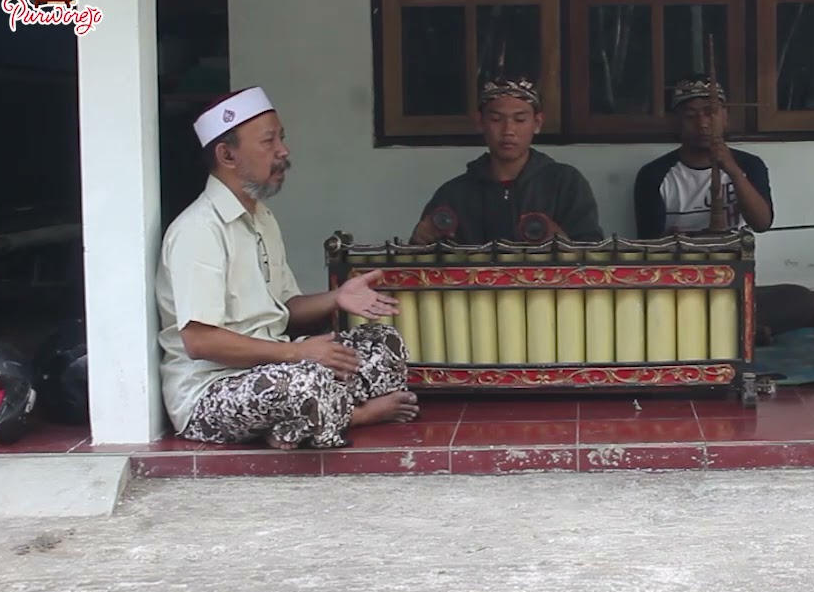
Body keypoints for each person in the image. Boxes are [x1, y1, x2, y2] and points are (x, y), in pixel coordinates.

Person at [156, 86, 419, 450]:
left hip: (275, 367)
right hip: (212, 393)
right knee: (307, 380)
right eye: (269, 141)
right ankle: (355, 415)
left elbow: (286, 308)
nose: (283, 150)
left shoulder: (262, 217)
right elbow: (199, 341)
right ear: (227, 154)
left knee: (382, 344)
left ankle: (296, 424)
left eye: (281, 137)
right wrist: (297, 353)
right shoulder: (199, 230)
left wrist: (337, 298)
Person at [633, 74, 814, 342]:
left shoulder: (749, 165)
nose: (703, 123)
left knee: (801, 300)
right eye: (691, 115)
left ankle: (717, 330)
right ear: (678, 122)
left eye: (710, 113)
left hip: (734, 286)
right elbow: (647, 248)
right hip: (680, 289)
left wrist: (730, 167)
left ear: (725, 116)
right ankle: (738, 331)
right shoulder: (655, 175)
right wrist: (699, 242)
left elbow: (762, 223)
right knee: (644, 306)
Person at [409, 74, 603, 245]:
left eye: (520, 120)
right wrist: (420, 240)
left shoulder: (565, 183)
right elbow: (422, 267)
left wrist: (560, 241)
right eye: (496, 119)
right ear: (480, 122)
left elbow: (592, 258)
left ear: (537, 123)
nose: (508, 130)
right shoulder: (454, 194)